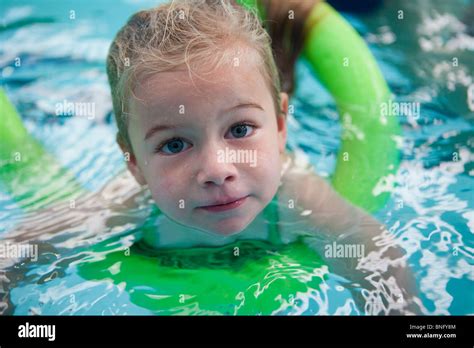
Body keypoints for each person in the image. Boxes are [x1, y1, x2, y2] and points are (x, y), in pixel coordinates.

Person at [103, 0, 420, 313]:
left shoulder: (298, 193)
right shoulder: (128, 203)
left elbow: (374, 255)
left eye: (240, 129)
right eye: (174, 145)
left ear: (281, 126)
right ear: (133, 163)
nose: (217, 169)